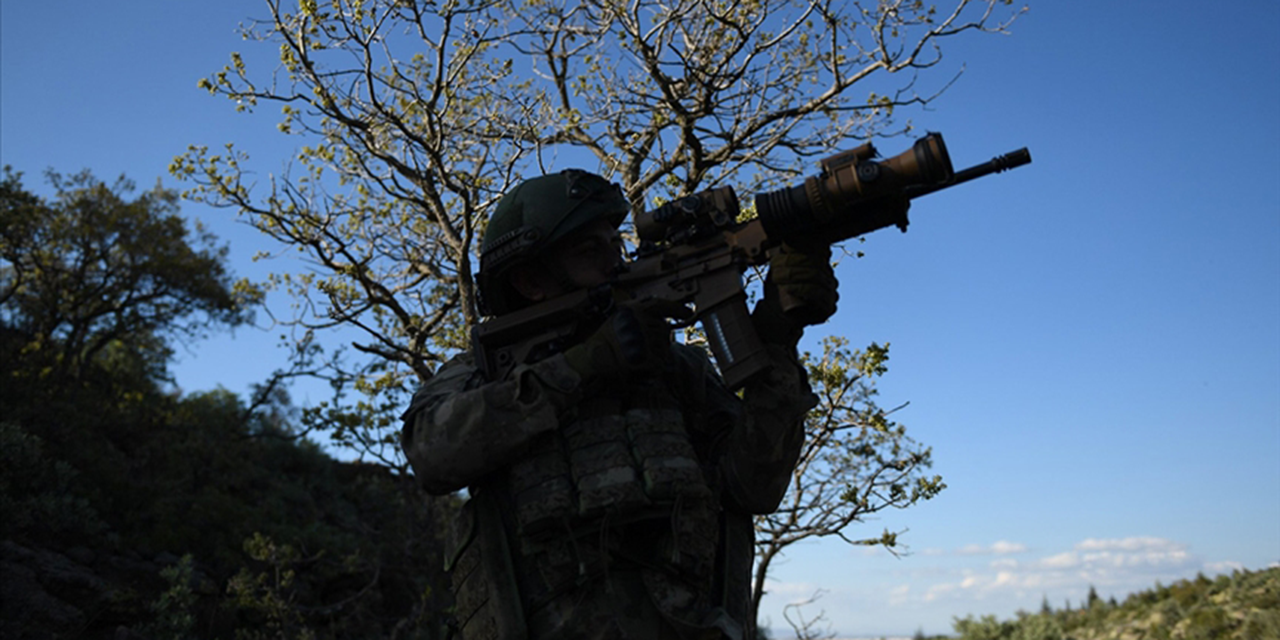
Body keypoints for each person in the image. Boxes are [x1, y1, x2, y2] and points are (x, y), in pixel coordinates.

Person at [400, 169, 838, 640]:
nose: (615, 261)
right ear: (530, 281)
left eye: (615, 243)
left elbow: (754, 486)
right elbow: (431, 451)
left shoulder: (675, 369)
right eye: (590, 250)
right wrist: (583, 367)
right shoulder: (485, 373)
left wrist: (777, 337)